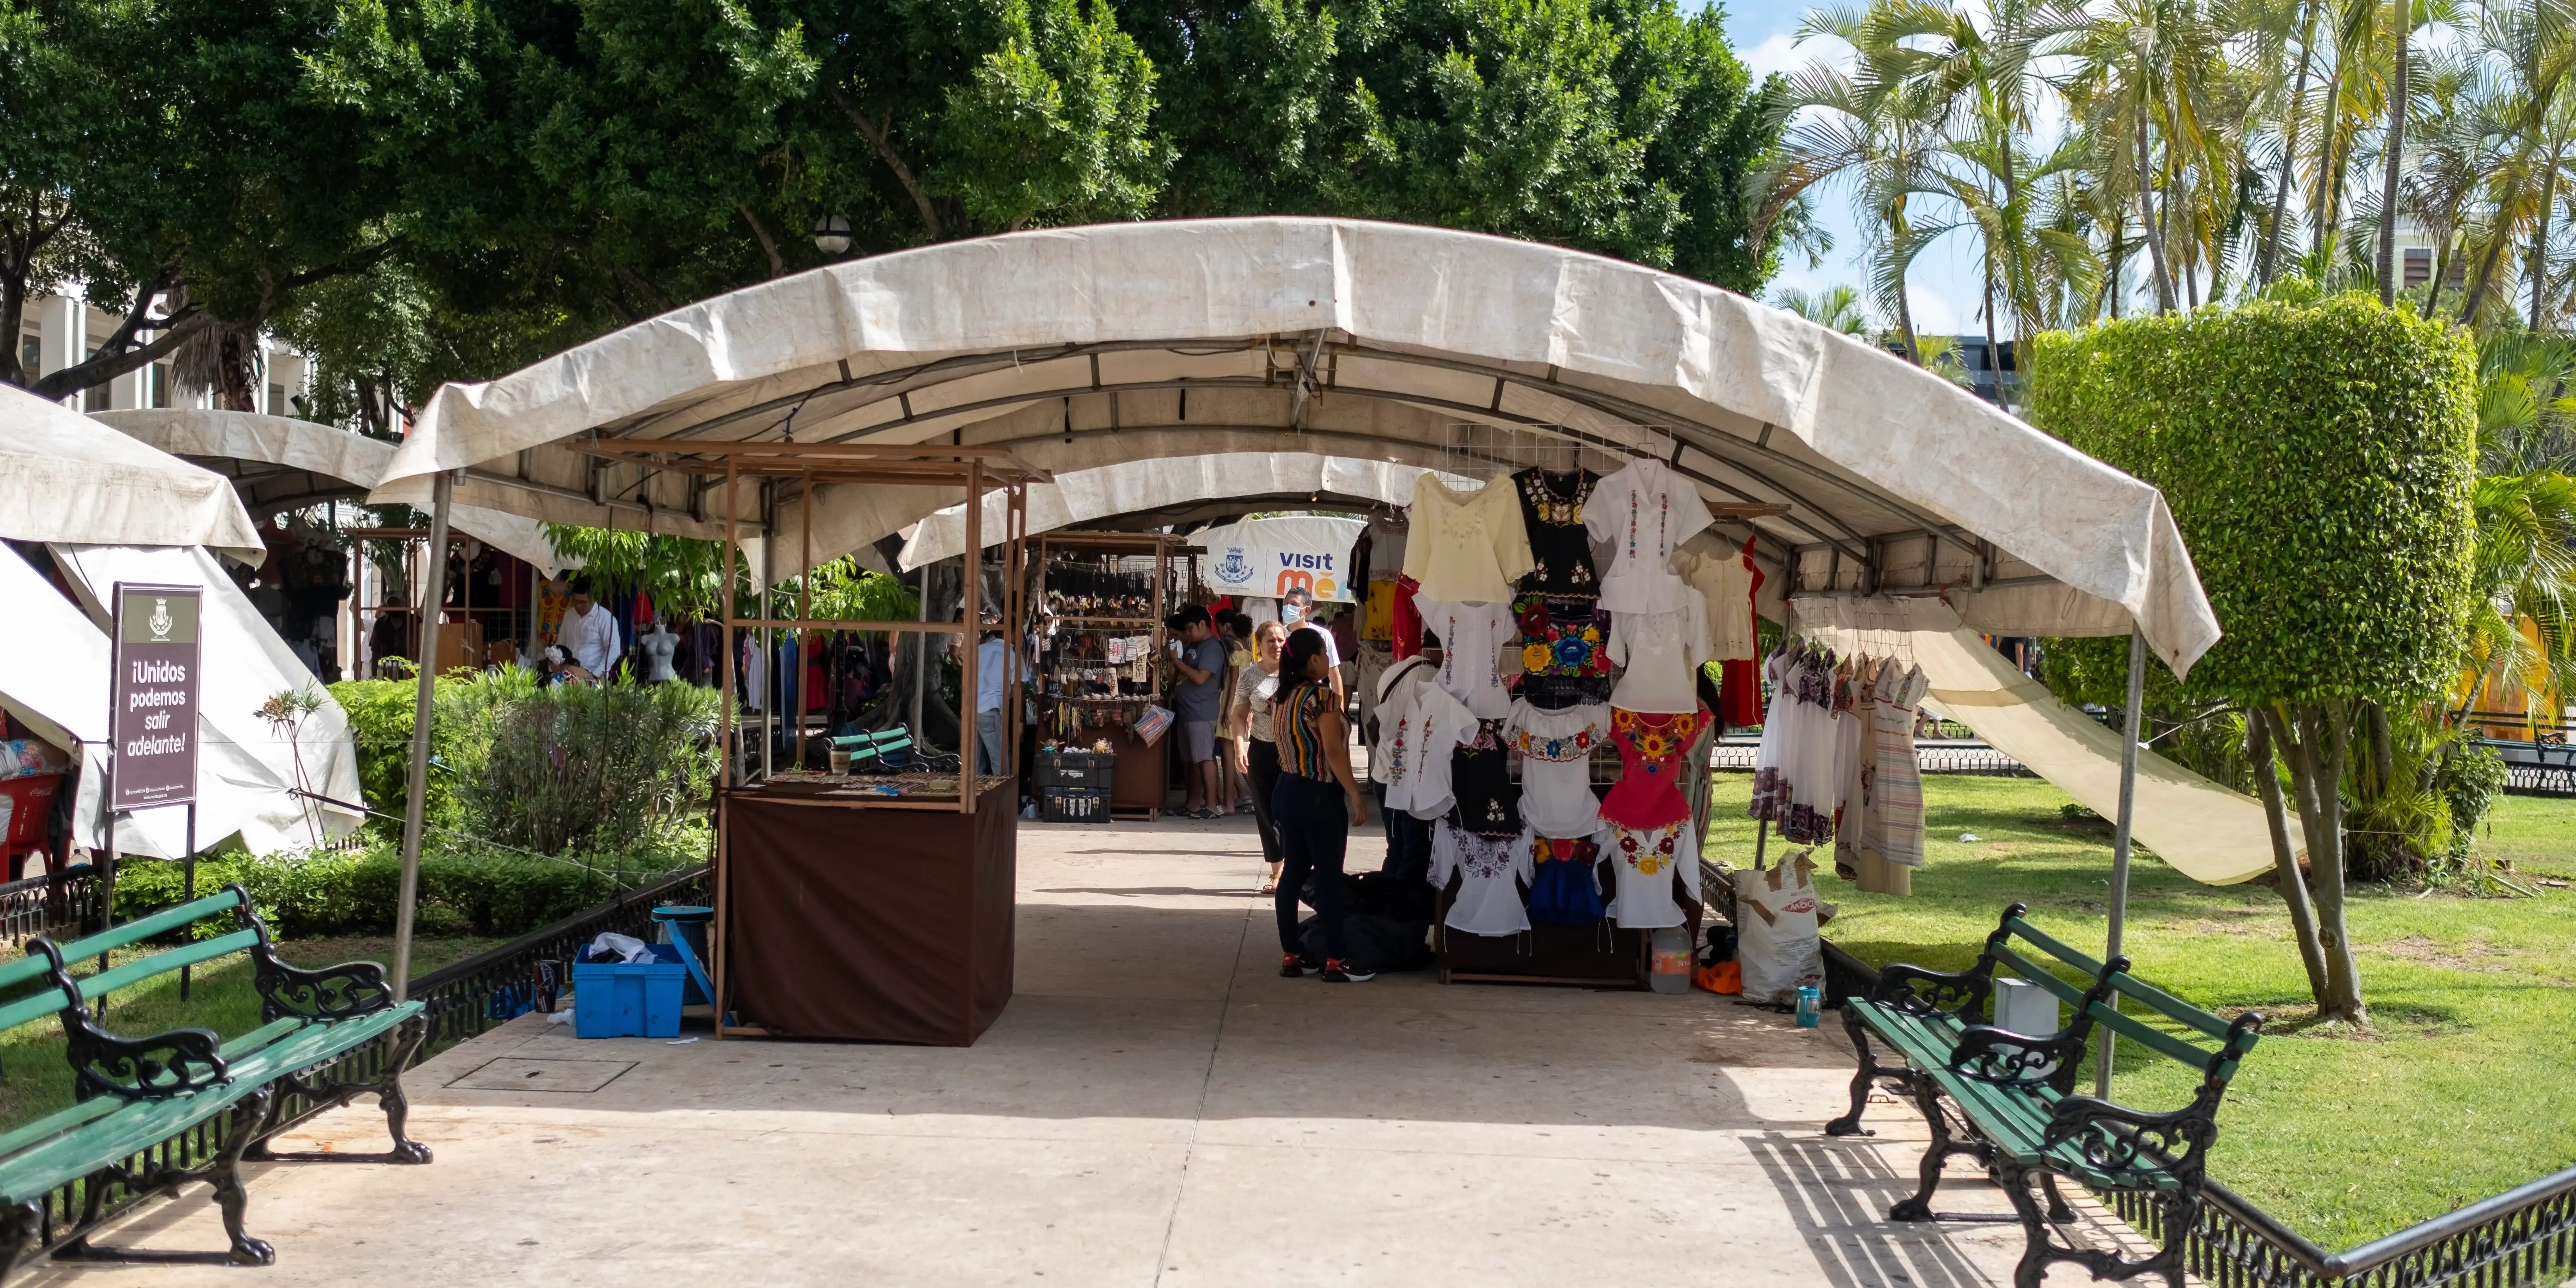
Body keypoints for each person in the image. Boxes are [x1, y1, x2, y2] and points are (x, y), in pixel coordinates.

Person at [1269, 628, 1373, 983]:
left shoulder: (1281, 697)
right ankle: (1336, 960)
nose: (1329, 662)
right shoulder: (1323, 698)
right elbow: (1332, 750)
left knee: (1294, 874)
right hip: (1318, 793)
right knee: (1329, 878)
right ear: (1313, 660)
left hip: (1286, 790)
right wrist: (1355, 792)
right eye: (1325, 656)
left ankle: (1292, 954)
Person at [1230, 621, 1288, 893]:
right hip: (1262, 750)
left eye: (1281, 640)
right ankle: (1278, 873)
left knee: (1292, 811)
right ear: (1260, 645)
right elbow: (1239, 716)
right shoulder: (1249, 677)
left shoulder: (1297, 673)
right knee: (1266, 811)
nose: (1277, 645)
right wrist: (1240, 747)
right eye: (1271, 641)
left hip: (1294, 751)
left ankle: (1296, 868)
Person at [1167, 605, 1228, 818]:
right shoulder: (1194, 643)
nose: (1188, 633)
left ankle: (1211, 805)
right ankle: (1193, 802)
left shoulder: (1212, 648)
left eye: (1191, 628)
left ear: (1203, 624)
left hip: (1202, 711)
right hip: (1187, 710)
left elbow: (1201, 678)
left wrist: (1176, 661)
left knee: (1204, 758)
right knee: (1192, 759)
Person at [559, 579, 620, 679]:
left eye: (583, 602)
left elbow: (614, 649)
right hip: (569, 674)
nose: (578, 605)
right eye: (576, 601)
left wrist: (595, 675)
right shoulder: (569, 615)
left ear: (594, 600)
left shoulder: (606, 618)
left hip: (595, 675)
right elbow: (562, 643)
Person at [974, 609, 1009, 777]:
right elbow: (1021, 686)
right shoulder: (1010, 652)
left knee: (974, 763)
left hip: (972, 707)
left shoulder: (981, 649)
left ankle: (974, 797)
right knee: (999, 762)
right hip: (990, 709)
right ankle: (1000, 799)